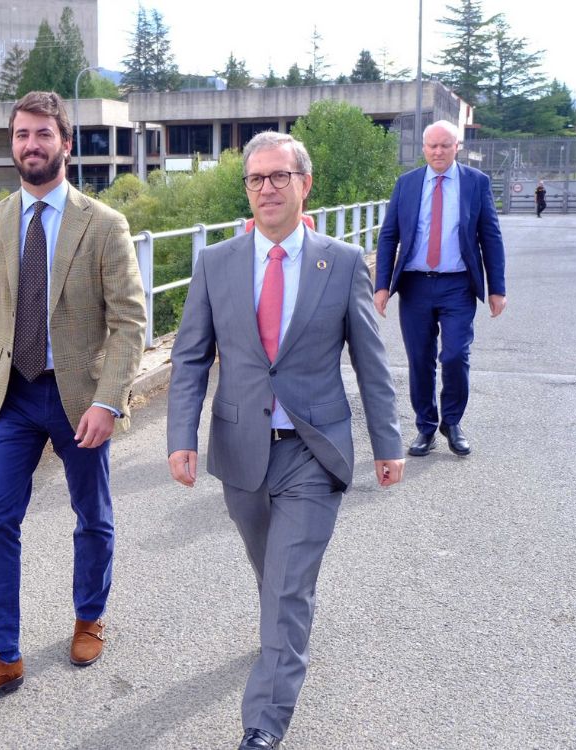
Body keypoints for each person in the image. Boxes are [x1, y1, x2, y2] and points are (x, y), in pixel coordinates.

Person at [167, 131, 405, 750]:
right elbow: (191, 358)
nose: (266, 188)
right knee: (269, 571)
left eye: (278, 177)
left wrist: (389, 443)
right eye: (255, 179)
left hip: (313, 449)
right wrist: (180, 436)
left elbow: (372, 363)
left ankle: (263, 724)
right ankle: (283, 634)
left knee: (288, 583)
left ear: (305, 185)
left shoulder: (343, 262)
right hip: (242, 447)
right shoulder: (216, 263)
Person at [0, 91, 147, 704]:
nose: (29, 145)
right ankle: (2, 654)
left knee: (92, 515)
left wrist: (108, 401)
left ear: (65, 142)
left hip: (78, 397)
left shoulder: (104, 224)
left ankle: (90, 616)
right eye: (20, 135)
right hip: (11, 396)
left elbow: (130, 322)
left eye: (41, 135)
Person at [374, 119, 507, 458]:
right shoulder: (407, 184)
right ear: (423, 148)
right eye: (432, 145)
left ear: (456, 147)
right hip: (415, 285)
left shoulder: (476, 183)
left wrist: (497, 288)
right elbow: (389, 235)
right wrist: (382, 285)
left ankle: (452, 421)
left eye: (445, 145)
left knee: (455, 355)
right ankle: (426, 427)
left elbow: (490, 236)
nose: (438, 151)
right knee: (420, 360)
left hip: (458, 285)